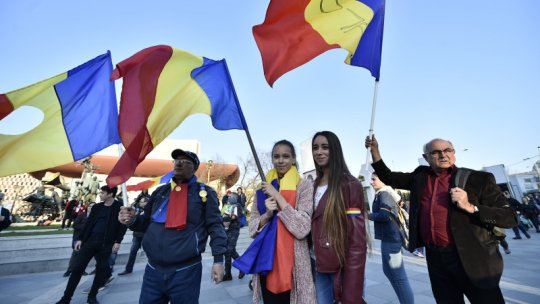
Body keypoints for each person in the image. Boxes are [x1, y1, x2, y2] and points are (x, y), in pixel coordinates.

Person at [365, 135, 517, 304]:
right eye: (436, 152)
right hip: (436, 258)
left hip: (472, 258)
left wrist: (471, 207)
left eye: (447, 150)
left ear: (454, 153)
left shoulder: (478, 179)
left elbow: (510, 217)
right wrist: (375, 151)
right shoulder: (420, 176)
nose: (443, 155)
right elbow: (389, 177)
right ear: (426, 158)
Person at [118, 149, 227, 303]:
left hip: (186, 271)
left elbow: (216, 226)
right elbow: (144, 223)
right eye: (176, 160)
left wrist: (218, 260)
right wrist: (131, 220)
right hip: (153, 270)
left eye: (186, 161)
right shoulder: (160, 192)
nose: (179, 163)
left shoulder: (205, 193)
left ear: (195, 168)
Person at [242, 139, 316, 303]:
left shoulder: (303, 186)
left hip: (294, 265)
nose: (281, 160)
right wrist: (268, 214)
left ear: (293, 158)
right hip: (267, 263)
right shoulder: (263, 187)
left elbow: (303, 228)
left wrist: (277, 195)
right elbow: (252, 228)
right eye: (276, 156)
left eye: (285, 156)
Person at [311, 131, 367, 304]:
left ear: (335, 150)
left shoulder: (350, 184)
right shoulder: (312, 185)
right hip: (317, 264)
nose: (319, 152)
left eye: (325, 147)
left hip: (341, 268)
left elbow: (357, 242)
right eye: (315, 148)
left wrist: (352, 287)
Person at [56, 186, 127, 304]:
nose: (100, 194)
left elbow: (122, 226)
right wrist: (80, 239)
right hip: (90, 241)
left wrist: (118, 241)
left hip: (106, 244)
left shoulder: (119, 207)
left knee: (101, 270)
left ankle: (92, 296)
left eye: (102, 193)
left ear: (110, 194)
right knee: (77, 268)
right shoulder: (97, 207)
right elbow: (88, 224)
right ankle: (66, 299)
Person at [368, 173, 414, 303]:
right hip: (388, 238)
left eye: (374, 179)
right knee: (388, 271)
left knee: (399, 277)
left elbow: (384, 215)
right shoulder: (383, 193)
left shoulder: (386, 193)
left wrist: (368, 215)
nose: (371, 182)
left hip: (392, 239)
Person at [118, 196, 149, 275]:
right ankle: (128, 269)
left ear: (146, 202)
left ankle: (153, 268)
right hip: (136, 235)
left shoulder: (149, 210)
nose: (141, 203)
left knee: (149, 252)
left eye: (143, 202)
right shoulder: (135, 209)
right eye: (140, 202)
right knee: (133, 252)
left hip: (146, 235)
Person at [63, 202, 94, 277]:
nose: (91, 208)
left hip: (89, 239)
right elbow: (74, 225)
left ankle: (82, 270)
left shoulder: (95, 217)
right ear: (87, 207)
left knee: (84, 256)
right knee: (75, 255)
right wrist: (85, 227)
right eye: (90, 206)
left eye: (94, 206)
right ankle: (69, 270)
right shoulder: (81, 215)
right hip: (78, 238)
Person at [221, 195, 244, 281]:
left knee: (228, 251)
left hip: (234, 231)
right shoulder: (228, 207)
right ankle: (241, 268)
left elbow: (233, 217)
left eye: (229, 201)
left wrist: (223, 218)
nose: (228, 202)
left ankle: (228, 274)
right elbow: (226, 216)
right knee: (232, 251)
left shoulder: (237, 206)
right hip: (228, 230)